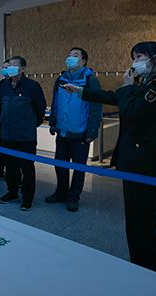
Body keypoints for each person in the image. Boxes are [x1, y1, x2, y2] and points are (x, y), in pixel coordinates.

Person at [63, 41, 156, 273]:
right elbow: (113, 97)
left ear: (155, 58)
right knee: (135, 220)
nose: (134, 62)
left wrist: (128, 85)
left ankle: (146, 270)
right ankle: (141, 266)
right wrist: (80, 91)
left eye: (139, 57)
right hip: (136, 159)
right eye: (134, 57)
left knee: (141, 221)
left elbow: (132, 111)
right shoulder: (147, 82)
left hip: (144, 162)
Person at [46, 48, 103, 212]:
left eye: (75, 55)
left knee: (79, 168)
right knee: (60, 165)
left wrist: (92, 131)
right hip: (62, 131)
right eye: (69, 55)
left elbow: (96, 107)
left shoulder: (90, 80)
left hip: (80, 132)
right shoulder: (61, 79)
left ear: (83, 61)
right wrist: (53, 122)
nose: (70, 57)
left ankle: (73, 197)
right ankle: (61, 192)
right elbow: (55, 102)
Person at [0, 56, 46, 211]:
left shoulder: (32, 86)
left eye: (13, 65)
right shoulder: (5, 85)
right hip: (7, 135)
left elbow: (40, 109)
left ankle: (27, 198)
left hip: (25, 137)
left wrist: (29, 125)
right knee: (10, 167)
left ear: (23, 69)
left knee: (27, 168)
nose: (9, 68)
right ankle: (12, 192)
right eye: (8, 65)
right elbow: (1, 105)